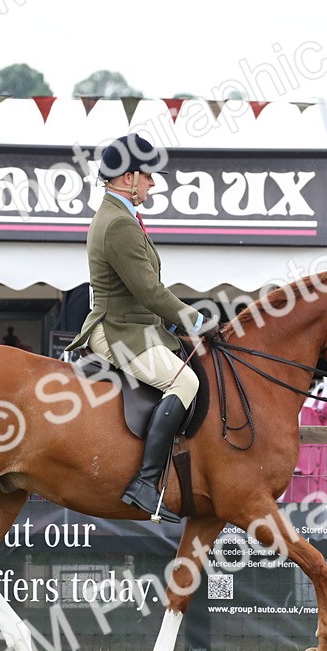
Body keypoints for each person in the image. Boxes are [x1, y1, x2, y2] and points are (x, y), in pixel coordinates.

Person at [65, 133, 217, 522]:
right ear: (128, 177)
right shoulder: (118, 224)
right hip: (119, 330)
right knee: (186, 383)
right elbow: (149, 291)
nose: (153, 183)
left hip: (134, 324)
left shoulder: (121, 217)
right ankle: (146, 483)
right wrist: (196, 320)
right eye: (148, 176)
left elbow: (142, 290)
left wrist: (171, 319)